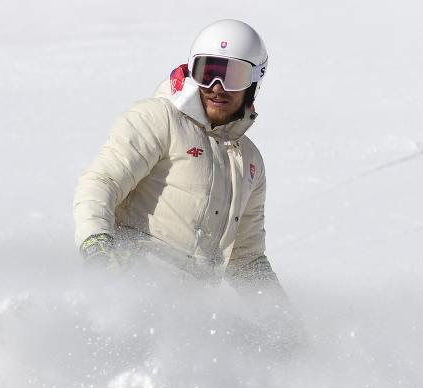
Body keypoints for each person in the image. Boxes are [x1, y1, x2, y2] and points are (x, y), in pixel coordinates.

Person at [72, 19, 292, 314]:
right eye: (208, 71)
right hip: (130, 288)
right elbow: (101, 182)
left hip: (190, 315)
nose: (218, 87)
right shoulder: (159, 118)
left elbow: (247, 258)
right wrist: (96, 245)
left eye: (234, 76)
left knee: (260, 351)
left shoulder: (249, 161)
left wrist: (284, 322)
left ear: (254, 82)